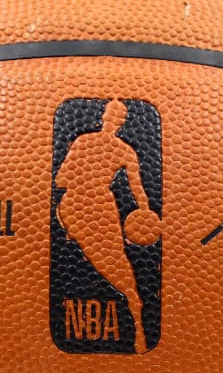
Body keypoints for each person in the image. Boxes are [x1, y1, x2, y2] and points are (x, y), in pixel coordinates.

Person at [54, 100, 151, 353]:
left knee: (114, 264)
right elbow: (137, 189)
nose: (113, 119)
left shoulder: (84, 141)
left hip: (78, 203)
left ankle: (137, 318)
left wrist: (145, 210)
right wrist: (144, 210)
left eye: (115, 116)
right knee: (117, 265)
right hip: (92, 203)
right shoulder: (123, 150)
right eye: (113, 115)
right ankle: (137, 318)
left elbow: (62, 179)